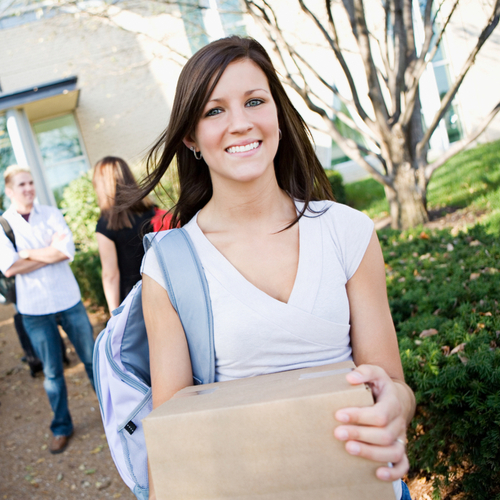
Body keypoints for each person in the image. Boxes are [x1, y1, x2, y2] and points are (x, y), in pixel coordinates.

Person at [125, 37, 415, 500]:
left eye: (255, 101)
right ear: (190, 136)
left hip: (365, 486)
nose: (240, 124)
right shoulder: (168, 265)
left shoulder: (347, 231)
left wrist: (395, 407)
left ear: (277, 115)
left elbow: (392, 383)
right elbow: (173, 433)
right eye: (214, 111)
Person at [0, 165, 95, 454]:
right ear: (9, 191)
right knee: (52, 373)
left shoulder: (51, 214)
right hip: (34, 309)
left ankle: (115, 411)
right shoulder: (4, 225)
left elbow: (66, 252)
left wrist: (27, 253)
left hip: (68, 300)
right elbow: (10, 267)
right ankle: (61, 427)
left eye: (30, 182)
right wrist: (48, 254)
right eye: (21, 184)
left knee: (92, 360)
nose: (28, 188)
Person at [93, 157, 156, 312]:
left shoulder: (106, 224)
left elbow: (110, 275)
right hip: (162, 287)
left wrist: (115, 315)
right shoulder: (153, 211)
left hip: (133, 298)